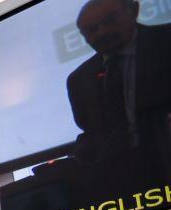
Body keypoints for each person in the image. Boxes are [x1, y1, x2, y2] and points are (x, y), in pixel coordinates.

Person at [66, 0, 171, 179]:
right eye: (91, 29)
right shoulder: (79, 80)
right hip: (119, 181)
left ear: (134, 10)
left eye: (110, 20)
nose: (102, 32)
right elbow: (92, 133)